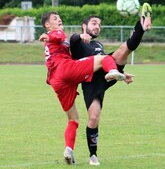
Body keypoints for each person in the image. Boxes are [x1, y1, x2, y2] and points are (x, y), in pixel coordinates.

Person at [69, 2, 152, 165]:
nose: (97, 27)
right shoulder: (79, 43)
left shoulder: (98, 45)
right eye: (94, 23)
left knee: (124, 50)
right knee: (93, 118)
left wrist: (120, 73)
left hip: (106, 73)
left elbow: (106, 60)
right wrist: (79, 36)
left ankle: (141, 24)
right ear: (84, 26)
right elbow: (71, 39)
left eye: (99, 24)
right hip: (90, 81)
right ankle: (93, 155)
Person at [39, 11, 126, 165]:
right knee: (104, 58)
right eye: (54, 18)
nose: (59, 20)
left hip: (56, 81)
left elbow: (62, 42)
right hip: (64, 69)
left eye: (59, 17)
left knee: (73, 119)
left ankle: (68, 150)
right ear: (47, 24)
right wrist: (49, 36)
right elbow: (58, 36)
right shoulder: (56, 33)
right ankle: (113, 71)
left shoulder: (55, 38)